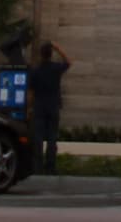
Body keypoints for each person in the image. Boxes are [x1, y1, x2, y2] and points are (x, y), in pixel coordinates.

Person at [29, 40, 71, 175]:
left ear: (41, 54)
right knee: (52, 137)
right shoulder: (55, 68)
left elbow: (30, 92)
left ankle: (38, 166)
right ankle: (50, 167)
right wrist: (58, 48)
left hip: (39, 106)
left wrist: (29, 107)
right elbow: (68, 62)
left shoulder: (35, 71)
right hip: (53, 105)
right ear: (50, 54)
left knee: (38, 137)